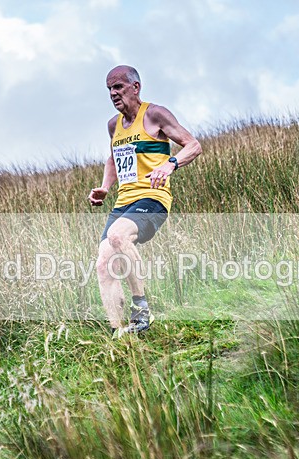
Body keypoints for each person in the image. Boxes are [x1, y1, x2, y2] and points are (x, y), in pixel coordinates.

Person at [89, 65, 202, 335]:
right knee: (104, 264)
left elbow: (193, 145)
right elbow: (114, 158)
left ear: (135, 87)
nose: (113, 93)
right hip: (123, 203)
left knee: (117, 237)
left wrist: (170, 164)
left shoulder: (154, 114)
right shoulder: (113, 125)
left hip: (153, 198)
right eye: (109, 89)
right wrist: (105, 187)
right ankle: (119, 333)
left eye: (118, 87)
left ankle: (141, 311)